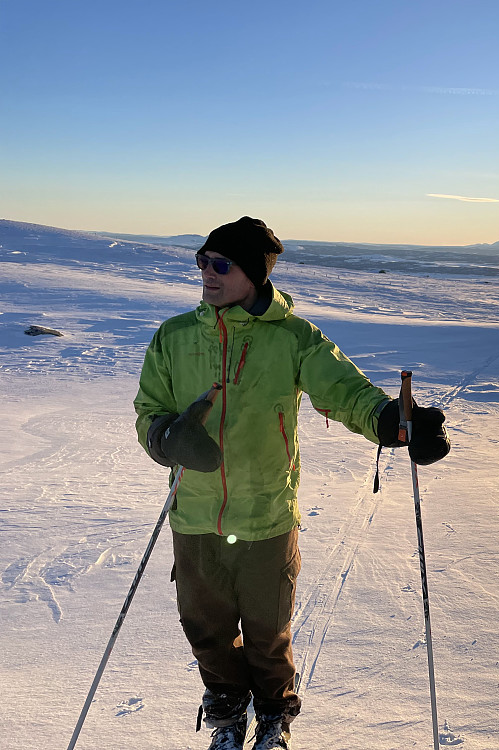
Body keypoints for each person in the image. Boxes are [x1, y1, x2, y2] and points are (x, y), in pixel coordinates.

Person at [133, 217, 449, 750]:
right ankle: (228, 717)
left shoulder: (294, 339)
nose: (206, 272)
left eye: (221, 264)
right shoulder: (175, 336)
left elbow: (346, 393)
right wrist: (167, 438)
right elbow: (149, 412)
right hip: (193, 516)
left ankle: (274, 720)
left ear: (253, 274)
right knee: (205, 631)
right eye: (202, 261)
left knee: (266, 633)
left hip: (266, 517)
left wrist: (392, 421)